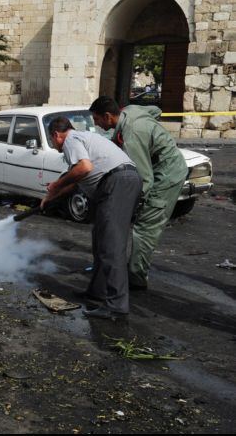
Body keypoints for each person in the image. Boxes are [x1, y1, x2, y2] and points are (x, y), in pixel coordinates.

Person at [42, 117, 142, 320]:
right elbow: (76, 180)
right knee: (100, 241)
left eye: (52, 142)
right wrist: (52, 195)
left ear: (56, 135)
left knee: (111, 247)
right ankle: (97, 293)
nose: (54, 147)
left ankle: (116, 307)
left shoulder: (70, 140)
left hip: (117, 183)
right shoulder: (84, 137)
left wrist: (56, 186)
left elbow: (84, 168)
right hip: (118, 183)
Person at [90, 96, 188, 290]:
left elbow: (144, 178)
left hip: (167, 175)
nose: (96, 124)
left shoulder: (132, 134)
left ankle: (136, 278)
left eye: (97, 119)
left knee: (145, 226)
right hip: (163, 166)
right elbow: (155, 110)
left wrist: (130, 205)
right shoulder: (130, 110)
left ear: (108, 116)